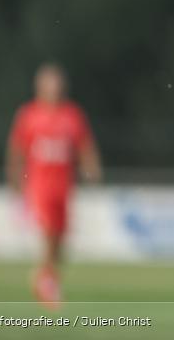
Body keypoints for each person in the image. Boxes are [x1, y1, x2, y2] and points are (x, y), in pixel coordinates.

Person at [6, 63, 102, 308]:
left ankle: (44, 277)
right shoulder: (29, 115)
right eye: (49, 83)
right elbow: (16, 150)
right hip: (39, 185)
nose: (54, 88)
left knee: (60, 240)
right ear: (39, 86)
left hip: (63, 186)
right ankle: (47, 284)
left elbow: (84, 146)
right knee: (48, 232)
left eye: (57, 83)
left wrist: (91, 168)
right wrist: (14, 179)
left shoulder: (72, 115)